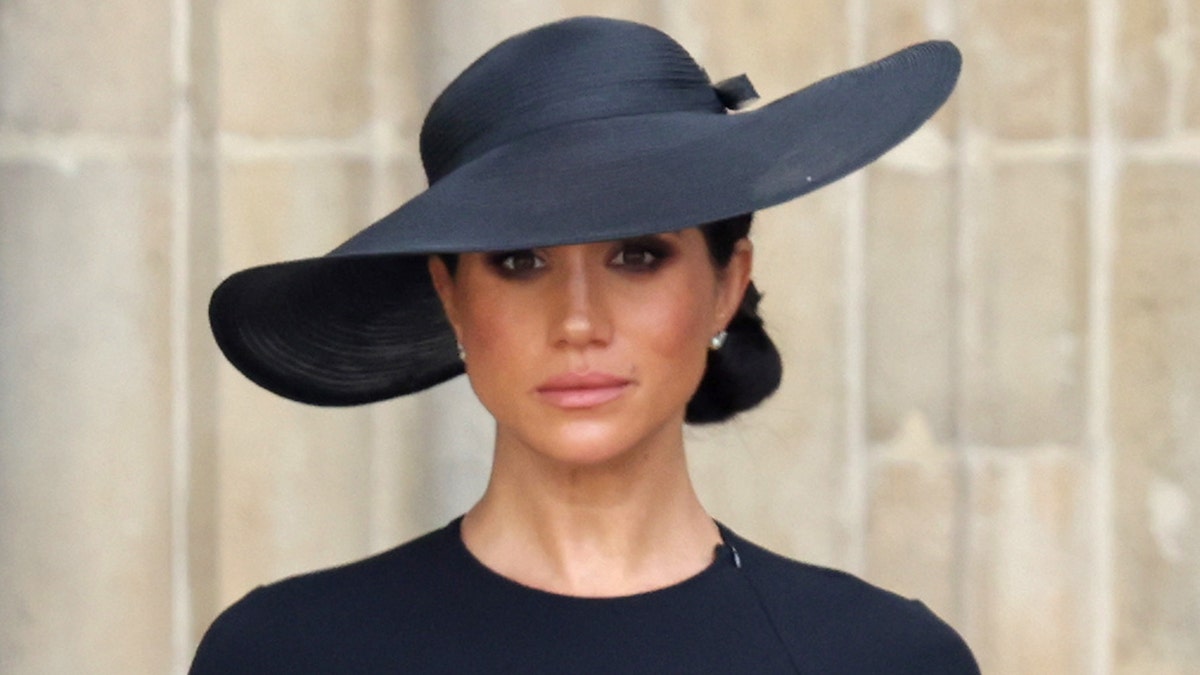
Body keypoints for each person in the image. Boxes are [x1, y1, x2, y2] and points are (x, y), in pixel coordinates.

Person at [193, 16, 978, 674]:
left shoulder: (881, 658)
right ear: (451, 296)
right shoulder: (286, 653)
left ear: (728, 283)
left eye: (637, 255)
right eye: (519, 260)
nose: (577, 321)